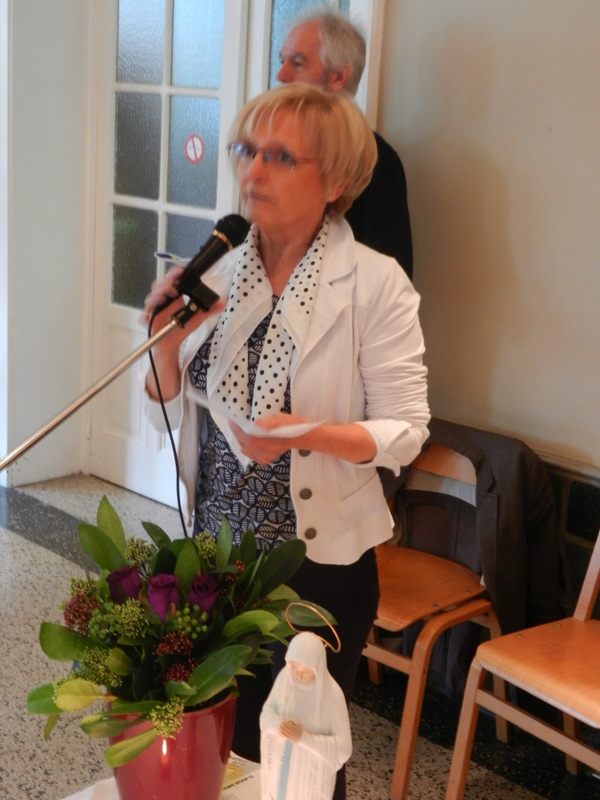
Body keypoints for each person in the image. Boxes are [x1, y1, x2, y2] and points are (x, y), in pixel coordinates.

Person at [143, 82, 429, 800]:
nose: (253, 171)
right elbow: (171, 410)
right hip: (213, 553)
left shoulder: (376, 285)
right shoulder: (218, 269)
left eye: (279, 157)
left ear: (334, 182)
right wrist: (163, 349)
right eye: (247, 151)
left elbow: (406, 431)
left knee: (298, 761)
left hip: (315, 570)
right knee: (211, 745)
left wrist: (309, 436)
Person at [277, 7, 413, 280]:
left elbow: (392, 278)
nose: (281, 74)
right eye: (281, 61)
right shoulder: (271, 147)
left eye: (298, 63)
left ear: (338, 77)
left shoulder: (375, 161)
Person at [260, 632, 352, 800]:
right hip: (280, 766)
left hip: (308, 776)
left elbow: (343, 749)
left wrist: (303, 738)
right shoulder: (285, 678)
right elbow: (267, 713)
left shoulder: (332, 694)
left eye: (306, 671)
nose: (298, 675)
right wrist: (279, 725)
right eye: (294, 668)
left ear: (318, 667)